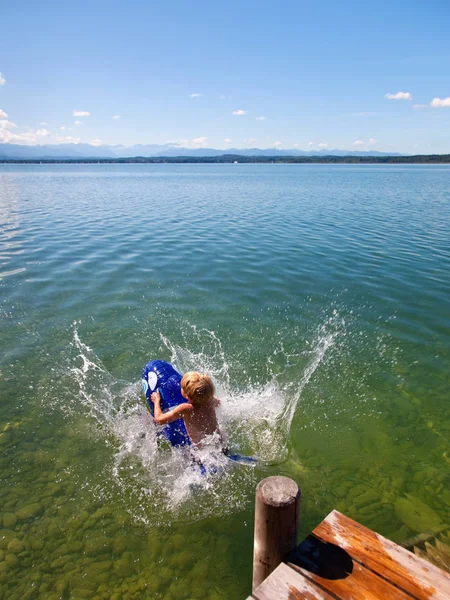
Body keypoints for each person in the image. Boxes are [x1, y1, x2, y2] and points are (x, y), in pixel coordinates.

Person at [150, 371, 224, 450]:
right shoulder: (210, 400)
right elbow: (219, 403)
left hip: (201, 455)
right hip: (221, 446)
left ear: (186, 394)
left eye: (182, 388)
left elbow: (159, 420)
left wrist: (156, 401)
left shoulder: (186, 409)